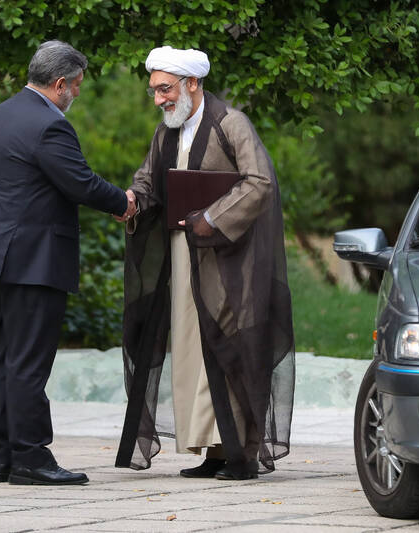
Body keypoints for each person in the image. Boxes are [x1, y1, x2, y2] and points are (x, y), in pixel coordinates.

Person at [115, 46, 295, 481]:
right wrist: (132, 200)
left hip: (229, 263)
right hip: (183, 262)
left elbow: (260, 183)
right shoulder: (166, 132)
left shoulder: (231, 123)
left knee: (230, 347)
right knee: (194, 353)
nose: (158, 99)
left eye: (165, 89)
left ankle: (242, 455)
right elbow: (148, 180)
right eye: (154, 90)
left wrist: (211, 218)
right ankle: (215, 450)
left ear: (192, 83)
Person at [0, 40, 136, 486]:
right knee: (29, 362)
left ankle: (5, 458)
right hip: (32, 258)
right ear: (60, 83)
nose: (77, 93)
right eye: (76, 85)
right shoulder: (49, 125)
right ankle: (31, 458)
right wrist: (123, 202)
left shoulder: (3, 113)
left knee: (5, 358)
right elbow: (79, 182)